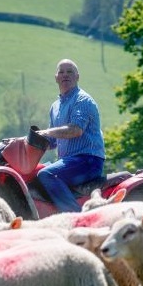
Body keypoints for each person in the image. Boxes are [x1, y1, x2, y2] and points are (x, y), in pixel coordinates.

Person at [35, 59, 106, 212]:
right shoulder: (55, 106)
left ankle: (75, 217)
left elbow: (75, 130)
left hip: (88, 161)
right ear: (56, 78)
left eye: (70, 72)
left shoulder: (83, 100)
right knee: (35, 172)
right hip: (69, 162)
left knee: (47, 175)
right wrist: (26, 143)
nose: (65, 75)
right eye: (61, 72)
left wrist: (45, 132)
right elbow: (52, 141)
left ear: (77, 77)